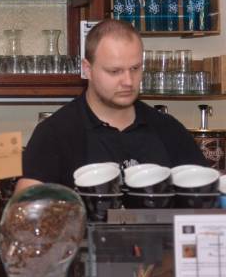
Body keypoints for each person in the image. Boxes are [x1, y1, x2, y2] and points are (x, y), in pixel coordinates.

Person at [17, 19, 208, 193]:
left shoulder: (169, 130)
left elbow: (205, 200)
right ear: (87, 69)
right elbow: (25, 211)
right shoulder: (55, 133)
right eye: (114, 71)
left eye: (135, 68)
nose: (128, 81)